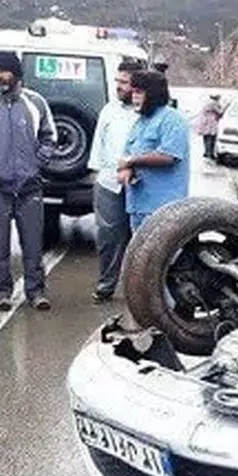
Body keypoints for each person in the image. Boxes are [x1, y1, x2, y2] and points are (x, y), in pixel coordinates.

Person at [0, 51, 57, 312]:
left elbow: (49, 137)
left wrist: (36, 164)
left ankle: (36, 292)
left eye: (3, 71)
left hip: (29, 188)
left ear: (16, 73)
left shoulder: (35, 102)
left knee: (33, 245)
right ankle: (0, 293)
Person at [86, 58, 144, 303]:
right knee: (108, 237)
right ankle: (106, 285)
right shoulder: (109, 110)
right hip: (110, 183)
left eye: (124, 82)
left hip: (141, 185)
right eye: (117, 81)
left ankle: (139, 290)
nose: (118, 86)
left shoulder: (149, 113)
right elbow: (98, 147)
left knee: (141, 238)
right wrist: (97, 176)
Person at [117, 70, 191, 232]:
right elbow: (127, 154)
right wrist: (126, 169)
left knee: (162, 249)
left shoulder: (172, 120)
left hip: (163, 208)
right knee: (138, 248)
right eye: (133, 92)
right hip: (138, 206)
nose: (134, 97)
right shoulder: (140, 122)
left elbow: (169, 156)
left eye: (139, 92)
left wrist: (132, 161)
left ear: (152, 94)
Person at [197, 93, 224, 160]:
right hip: (210, 123)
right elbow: (220, 113)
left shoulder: (207, 102)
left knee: (206, 137)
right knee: (211, 138)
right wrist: (225, 107)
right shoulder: (214, 103)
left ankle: (207, 152)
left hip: (204, 122)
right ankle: (210, 154)